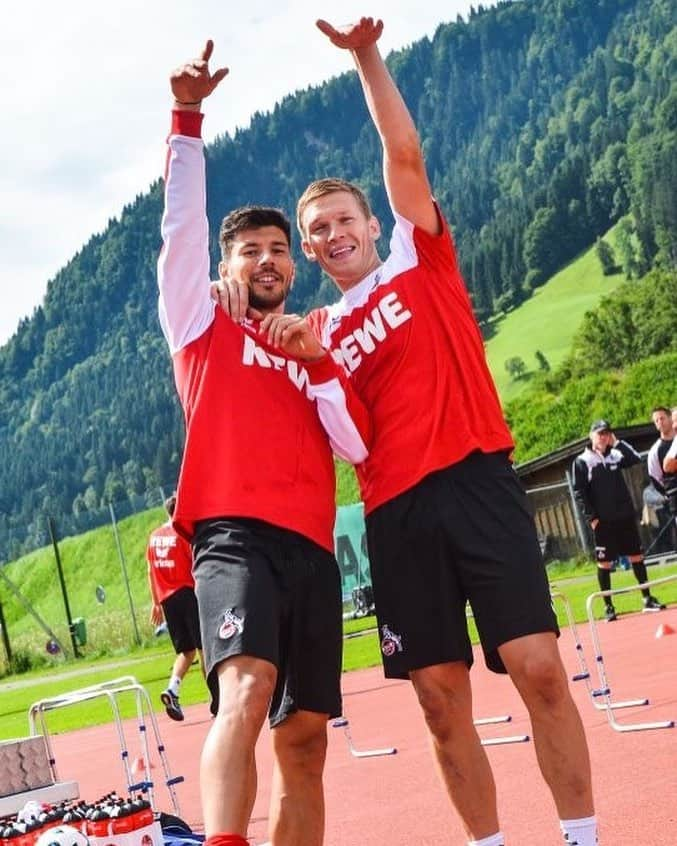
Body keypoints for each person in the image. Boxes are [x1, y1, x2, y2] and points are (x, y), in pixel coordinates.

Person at [218, 17, 597, 846]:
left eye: (342, 217)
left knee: (536, 667)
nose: (330, 234)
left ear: (371, 219)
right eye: (315, 230)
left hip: (475, 480)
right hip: (394, 511)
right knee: (435, 694)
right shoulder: (313, 327)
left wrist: (363, 54)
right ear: (311, 251)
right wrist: (304, 353)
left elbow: (405, 155)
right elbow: (338, 430)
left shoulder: (418, 259)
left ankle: (582, 837)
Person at [159, 41, 371, 846]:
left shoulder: (312, 342)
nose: (268, 259)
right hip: (233, 537)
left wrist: (317, 365)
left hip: (311, 550)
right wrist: (186, 118)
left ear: (296, 263)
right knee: (244, 688)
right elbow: (179, 234)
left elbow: (354, 442)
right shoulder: (201, 323)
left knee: (306, 740)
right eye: (250, 250)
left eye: (279, 249)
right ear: (227, 265)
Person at [572, 420, 665, 622]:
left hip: (624, 517)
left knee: (637, 557)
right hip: (603, 522)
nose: (603, 437)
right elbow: (580, 492)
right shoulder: (582, 461)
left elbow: (634, 459)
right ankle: (608, 607)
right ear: (591, 436)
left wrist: (617, 443)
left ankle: (647, 599)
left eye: (606, 433)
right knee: (605, 563)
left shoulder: (615, 454)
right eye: (599, 434)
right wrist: (592, 518)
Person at [147, 493, 205, 721]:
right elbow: (195, 564)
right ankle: (217, 699)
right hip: (188, 593)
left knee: (186, 651)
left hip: (168, 599)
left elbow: (150, 570)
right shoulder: (183, 534)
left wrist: (155, 602)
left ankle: (173, 689)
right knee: (204, 649)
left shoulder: (154, 537)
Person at [645, 406, 676, 552]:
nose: (660, 422)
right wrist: (668, 494)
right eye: (656, 421)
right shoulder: (655, 451)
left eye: (662, 418)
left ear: (670, 418)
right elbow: (656, 478)